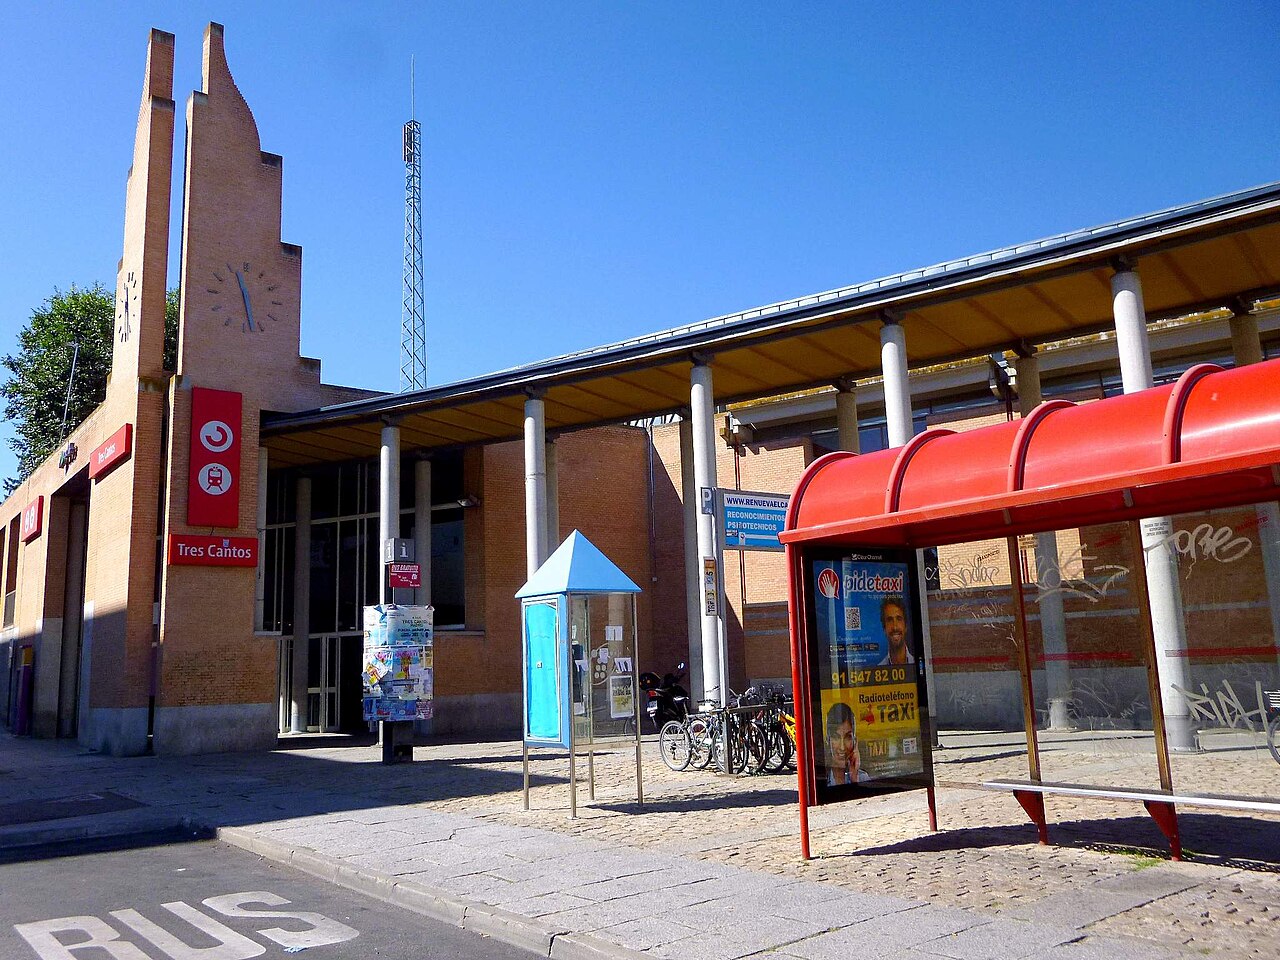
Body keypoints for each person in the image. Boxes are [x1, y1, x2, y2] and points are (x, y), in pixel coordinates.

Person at [825, 702, 870, 785]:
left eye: (848, 737)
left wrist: (854, 777)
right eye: (836, 737)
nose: (842, 747)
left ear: (854, 741)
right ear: (828, 740)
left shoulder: (862, 777)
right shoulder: (822, 780)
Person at [877, 595, 915, 666]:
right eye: (889, 620)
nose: (895, 627)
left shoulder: (916, 663)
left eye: (899, 619)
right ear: (884, 628)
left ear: (906, 626)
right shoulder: (879, 668)